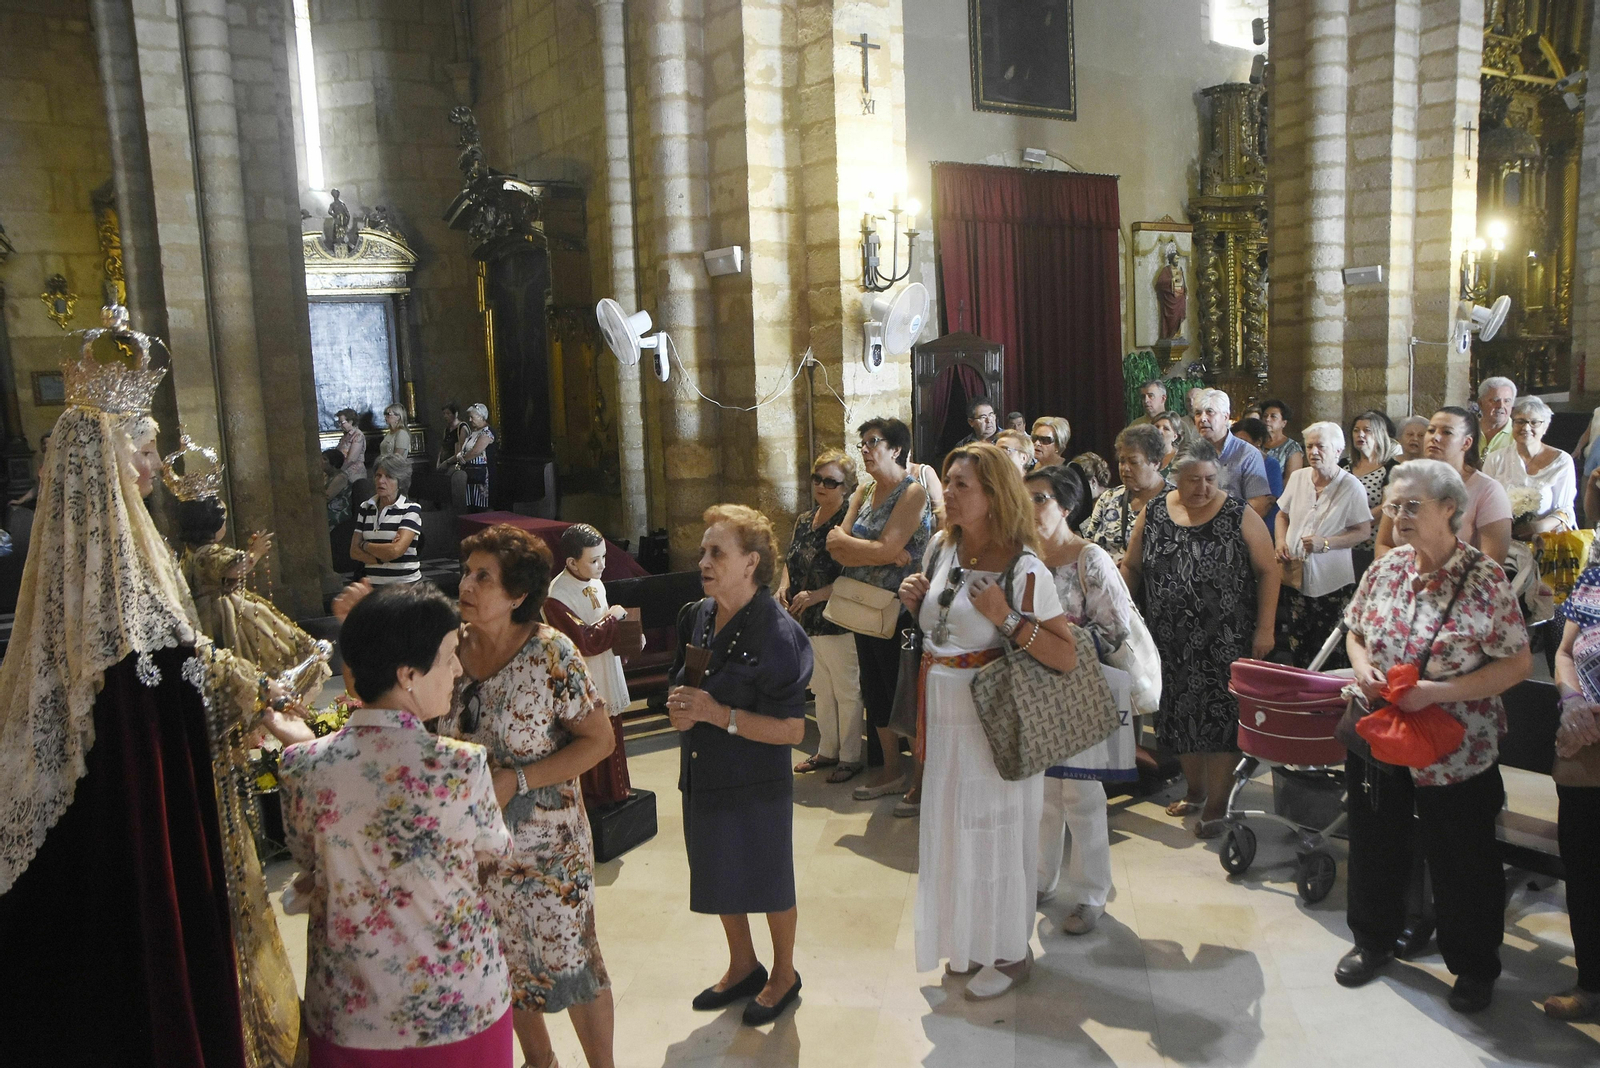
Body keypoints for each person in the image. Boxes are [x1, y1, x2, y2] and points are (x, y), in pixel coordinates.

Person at [0, 342, 303, 1067]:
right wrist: (257, 691)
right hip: (136, 793)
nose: (151, 470)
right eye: (142, 454)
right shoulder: (119, 572)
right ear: (105, 462)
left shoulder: (122, 556)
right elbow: (167, 666)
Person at [278, 583, 517, 1066]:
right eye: (450, 656)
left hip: (351, 1006)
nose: (457, 670)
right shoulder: (459, 765)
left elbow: (310, 860)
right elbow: (495, 850)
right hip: (456, 1000)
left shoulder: (302, 766)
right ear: (408, 674)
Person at [1335, 460, 1530, 1014]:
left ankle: (1473, 966)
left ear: (1450, 509)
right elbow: (1357, 630)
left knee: (1462, 857)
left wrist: (1437, 693)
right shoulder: (1387, 568)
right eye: (1393, 505)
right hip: (1383, 730)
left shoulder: (1485, 579)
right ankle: (1372, 940)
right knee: (1375, 840)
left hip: (1455, 744)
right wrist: (1361, 667)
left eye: (1411, 506)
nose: (1398, 516)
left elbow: (1515, 664)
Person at [897, 442, 1081, 999]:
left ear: (995, 495)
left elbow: (1065, 655)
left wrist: (1007, 619)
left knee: (998, 833)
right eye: (948, 482)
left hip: (995, 720)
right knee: (953, 832)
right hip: (945, 714)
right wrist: (916, 605)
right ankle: (968, 940)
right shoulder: (938, 549)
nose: (947, 493)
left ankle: (1009, 950)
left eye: (962, 486)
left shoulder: (1026, 569)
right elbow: (943, 634)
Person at [445, 524, 618, 1067]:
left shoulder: (551, 654)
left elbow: (599, 741)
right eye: (466, 573)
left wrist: (517, 780)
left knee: (572, 960)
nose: (467, 585)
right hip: (477, 846)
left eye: (483, 577)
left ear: (518, 594)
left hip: (549, 845)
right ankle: (540, 1062)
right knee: (503, 962)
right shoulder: (448, 648)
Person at [666, 505, 812, 1025]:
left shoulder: (778, 633)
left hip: (754, 779)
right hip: (705, 771)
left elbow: (794, 731)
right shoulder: (699, 614)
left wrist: (717, 714)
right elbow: (684, 679)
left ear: (751, 563)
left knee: (768, 879)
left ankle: (785, 974)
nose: (702, 560)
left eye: (716, 552)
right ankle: (744, 964)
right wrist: (681, 706)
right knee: (719, 870)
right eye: (703, 550)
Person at [1123, 441, 1279, 835]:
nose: (1203, 488)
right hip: (1169, 639)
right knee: (1176, 717)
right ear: (1176, 477)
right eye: (1193, 480)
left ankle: (1217, 801)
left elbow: (1269, 570)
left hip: (1226, 638)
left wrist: (1265, 629)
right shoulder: (1155, 512)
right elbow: (1132, 566)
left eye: (1210, 479)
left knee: (1221, 720)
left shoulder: (1237, 513)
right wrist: (1122, 614)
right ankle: (1195, 789)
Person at [1025, 463, 1131, 936]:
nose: (1030, 508)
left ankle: (1091, 893)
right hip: (1033, 688)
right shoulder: (1025, 557)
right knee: (1042, 794)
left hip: (1078, 688)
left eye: (1040, 498)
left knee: (1082, 794)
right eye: (1025, 498)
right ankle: (1041, 879)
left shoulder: (1089, 558)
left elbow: (1114, 628)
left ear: (1066, 505)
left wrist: (1060, 638)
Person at [829, 418, 933, 813]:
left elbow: (888, 548)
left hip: (900, 607)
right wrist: (878, 549)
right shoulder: (865, 490)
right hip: (863, 605)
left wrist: (877, 548)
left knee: (904, 693)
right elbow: (834, 543)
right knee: (876, 690)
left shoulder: (913, 492)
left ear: (896, 449)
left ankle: (920, 781)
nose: (866, 449)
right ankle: (891, 770)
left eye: (874, 442)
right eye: (863, 443)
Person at [780, 450, 865, 782]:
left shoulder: (849, 522)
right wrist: (783, 586)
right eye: (818, 478)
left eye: (831, 481)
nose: (822, 485)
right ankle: (827, 750)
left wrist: (815, 595)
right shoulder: (805, 519)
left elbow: (853, 574)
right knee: (821, 689)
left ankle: (851, 756)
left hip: (837, 616)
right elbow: (791, 559)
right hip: (806, 619)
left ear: (846, 486)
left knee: (846, 689)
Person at [543, 523, 637, 807]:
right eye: (594, 560)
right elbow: (583, 640)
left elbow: (605, 625)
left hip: (605, 669)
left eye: (604, 557)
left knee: (613, 731)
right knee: (593, 736)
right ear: (572, 562)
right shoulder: (556, 597)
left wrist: (631, 637)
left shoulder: (595, 583)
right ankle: (596, 797)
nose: (602, 566)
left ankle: (616, 791)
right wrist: (614, 619)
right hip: (583, 679)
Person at [179, 498, 325, 675]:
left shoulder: (191, 550)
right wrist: (255, 553)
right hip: (219, 613)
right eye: (224, 521)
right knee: (253, 649)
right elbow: (236, 569)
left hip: (201, 609)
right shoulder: (208, 553)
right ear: (212, 524)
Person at [1273, 422, 1373, 668]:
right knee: (1297, 643)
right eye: (1309, 446)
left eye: (1320, 446)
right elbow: (1281, 514)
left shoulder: (1351, 486)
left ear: (1338, 450)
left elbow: (1363, 532)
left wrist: (1326, 543)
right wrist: (1280, 541)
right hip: (1296, 576)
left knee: (1329, 650)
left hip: (1332, 581)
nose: (1313, 452)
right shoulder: (1298, 477)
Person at [1547, 564, 1600, 1020]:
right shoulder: (1594, 576)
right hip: (1588, 747)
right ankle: (1593, 985)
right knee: (1585, 873)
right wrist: (1573, 703)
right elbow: (1564, 652)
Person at [1375, 407, 1511, 566]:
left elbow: (1491, 561)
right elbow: (1383, 544)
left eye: (1447, 432)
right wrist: (1405, 573)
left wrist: (1434, 579)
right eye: (1431, 430)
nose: (1435, 437)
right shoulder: (1405, 483)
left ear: (1466, 442)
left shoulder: (1488, 490)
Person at [1484, 394, 1576, 536]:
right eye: (1520, 421)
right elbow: (1485, 503)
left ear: (1545, 427)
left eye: (1534, 422)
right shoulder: (1495, 459)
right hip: (1503, 537)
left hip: (1546, 541)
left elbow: (1565, 510)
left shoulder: (1562, 461)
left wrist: (1536, 528)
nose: (1526, 428)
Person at [1082, 424, 1172, 563]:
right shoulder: (1108, 498)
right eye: (1122, 461)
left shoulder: (1176, 501)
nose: (1125, 468)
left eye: (1133, 462)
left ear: (1155, 463)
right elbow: (1088, 545)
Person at [1193, 390, 1273, 516]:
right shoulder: (1191, 452)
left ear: (1225, 417)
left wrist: (1223, 521)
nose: (1202, 419)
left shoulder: (1248, 454)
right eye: (1198, 413)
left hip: (1232, 528)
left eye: (1210, 412)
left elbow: (1258, 504)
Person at [351, 452, 423, 584]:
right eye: (378, 475)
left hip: (405, 586)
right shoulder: (365, 507)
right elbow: (354, 552)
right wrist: (382, 557)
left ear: (400, 482)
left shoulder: (410, 509)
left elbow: (396, 550)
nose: (381, 481)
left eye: (388, 477)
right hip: (372, 585)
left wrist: (364, 545)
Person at [1344, 411, 1399, 577]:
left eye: (1367, 430)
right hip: (1343, 543)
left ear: (1379, 434)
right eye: (1356, 430)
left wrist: (1357, 525)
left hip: (1373, 543)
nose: (1360, 434)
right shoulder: (1343, 466)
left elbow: (1387, 506)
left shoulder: (1391, 468)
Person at [1231, 417, 1284, 527]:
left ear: (1258, 442)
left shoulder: (1271, 464)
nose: (1238, 446)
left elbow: (1267, 503)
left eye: (1244, 441)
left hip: (1262, 523)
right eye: (1235, 441)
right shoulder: (1233, 462)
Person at [448, 402, 495, 511]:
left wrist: (462, 460)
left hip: (482, 476)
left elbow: (476, 451)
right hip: (470, 474)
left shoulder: (487, 432)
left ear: (481, 417)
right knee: (470, 507)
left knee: (481, 507)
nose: (469, 420)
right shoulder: (474, 432)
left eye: (471, 417)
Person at [1260, 397, 1306, 475]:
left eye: (1273, 416)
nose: (1267, 419)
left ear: (1283, 423)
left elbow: (1291, 480)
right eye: (1265, 416)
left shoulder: (1292, 448)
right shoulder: (1256, 442)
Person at [1477, 375, 1517, 458]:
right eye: (1495, 400)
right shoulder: (1468, 430)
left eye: (1507, 401)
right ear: (1480, 403)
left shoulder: (1518, 434)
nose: (1501, 405)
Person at [1153, 410, 1196, 477]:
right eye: (1157, 426)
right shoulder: (1145, 456)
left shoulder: (1182, 459)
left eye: (1166, 428)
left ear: (1175, 436)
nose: (1159, 431)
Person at [322, 446, 352, 530]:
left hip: (336, 512)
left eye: (324, 459)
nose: (320, 462)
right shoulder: (326, 475)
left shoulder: (340, 478)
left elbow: (326, 497)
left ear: (333, 462)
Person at [336, 406, 367, 484]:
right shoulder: (345, 435)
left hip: (354, 476)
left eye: (342, 422)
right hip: (344, 474)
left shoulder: (358, 435)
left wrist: (338, 471)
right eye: (339, 422)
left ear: (351, 422)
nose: (340, 425)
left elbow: (352, 459)